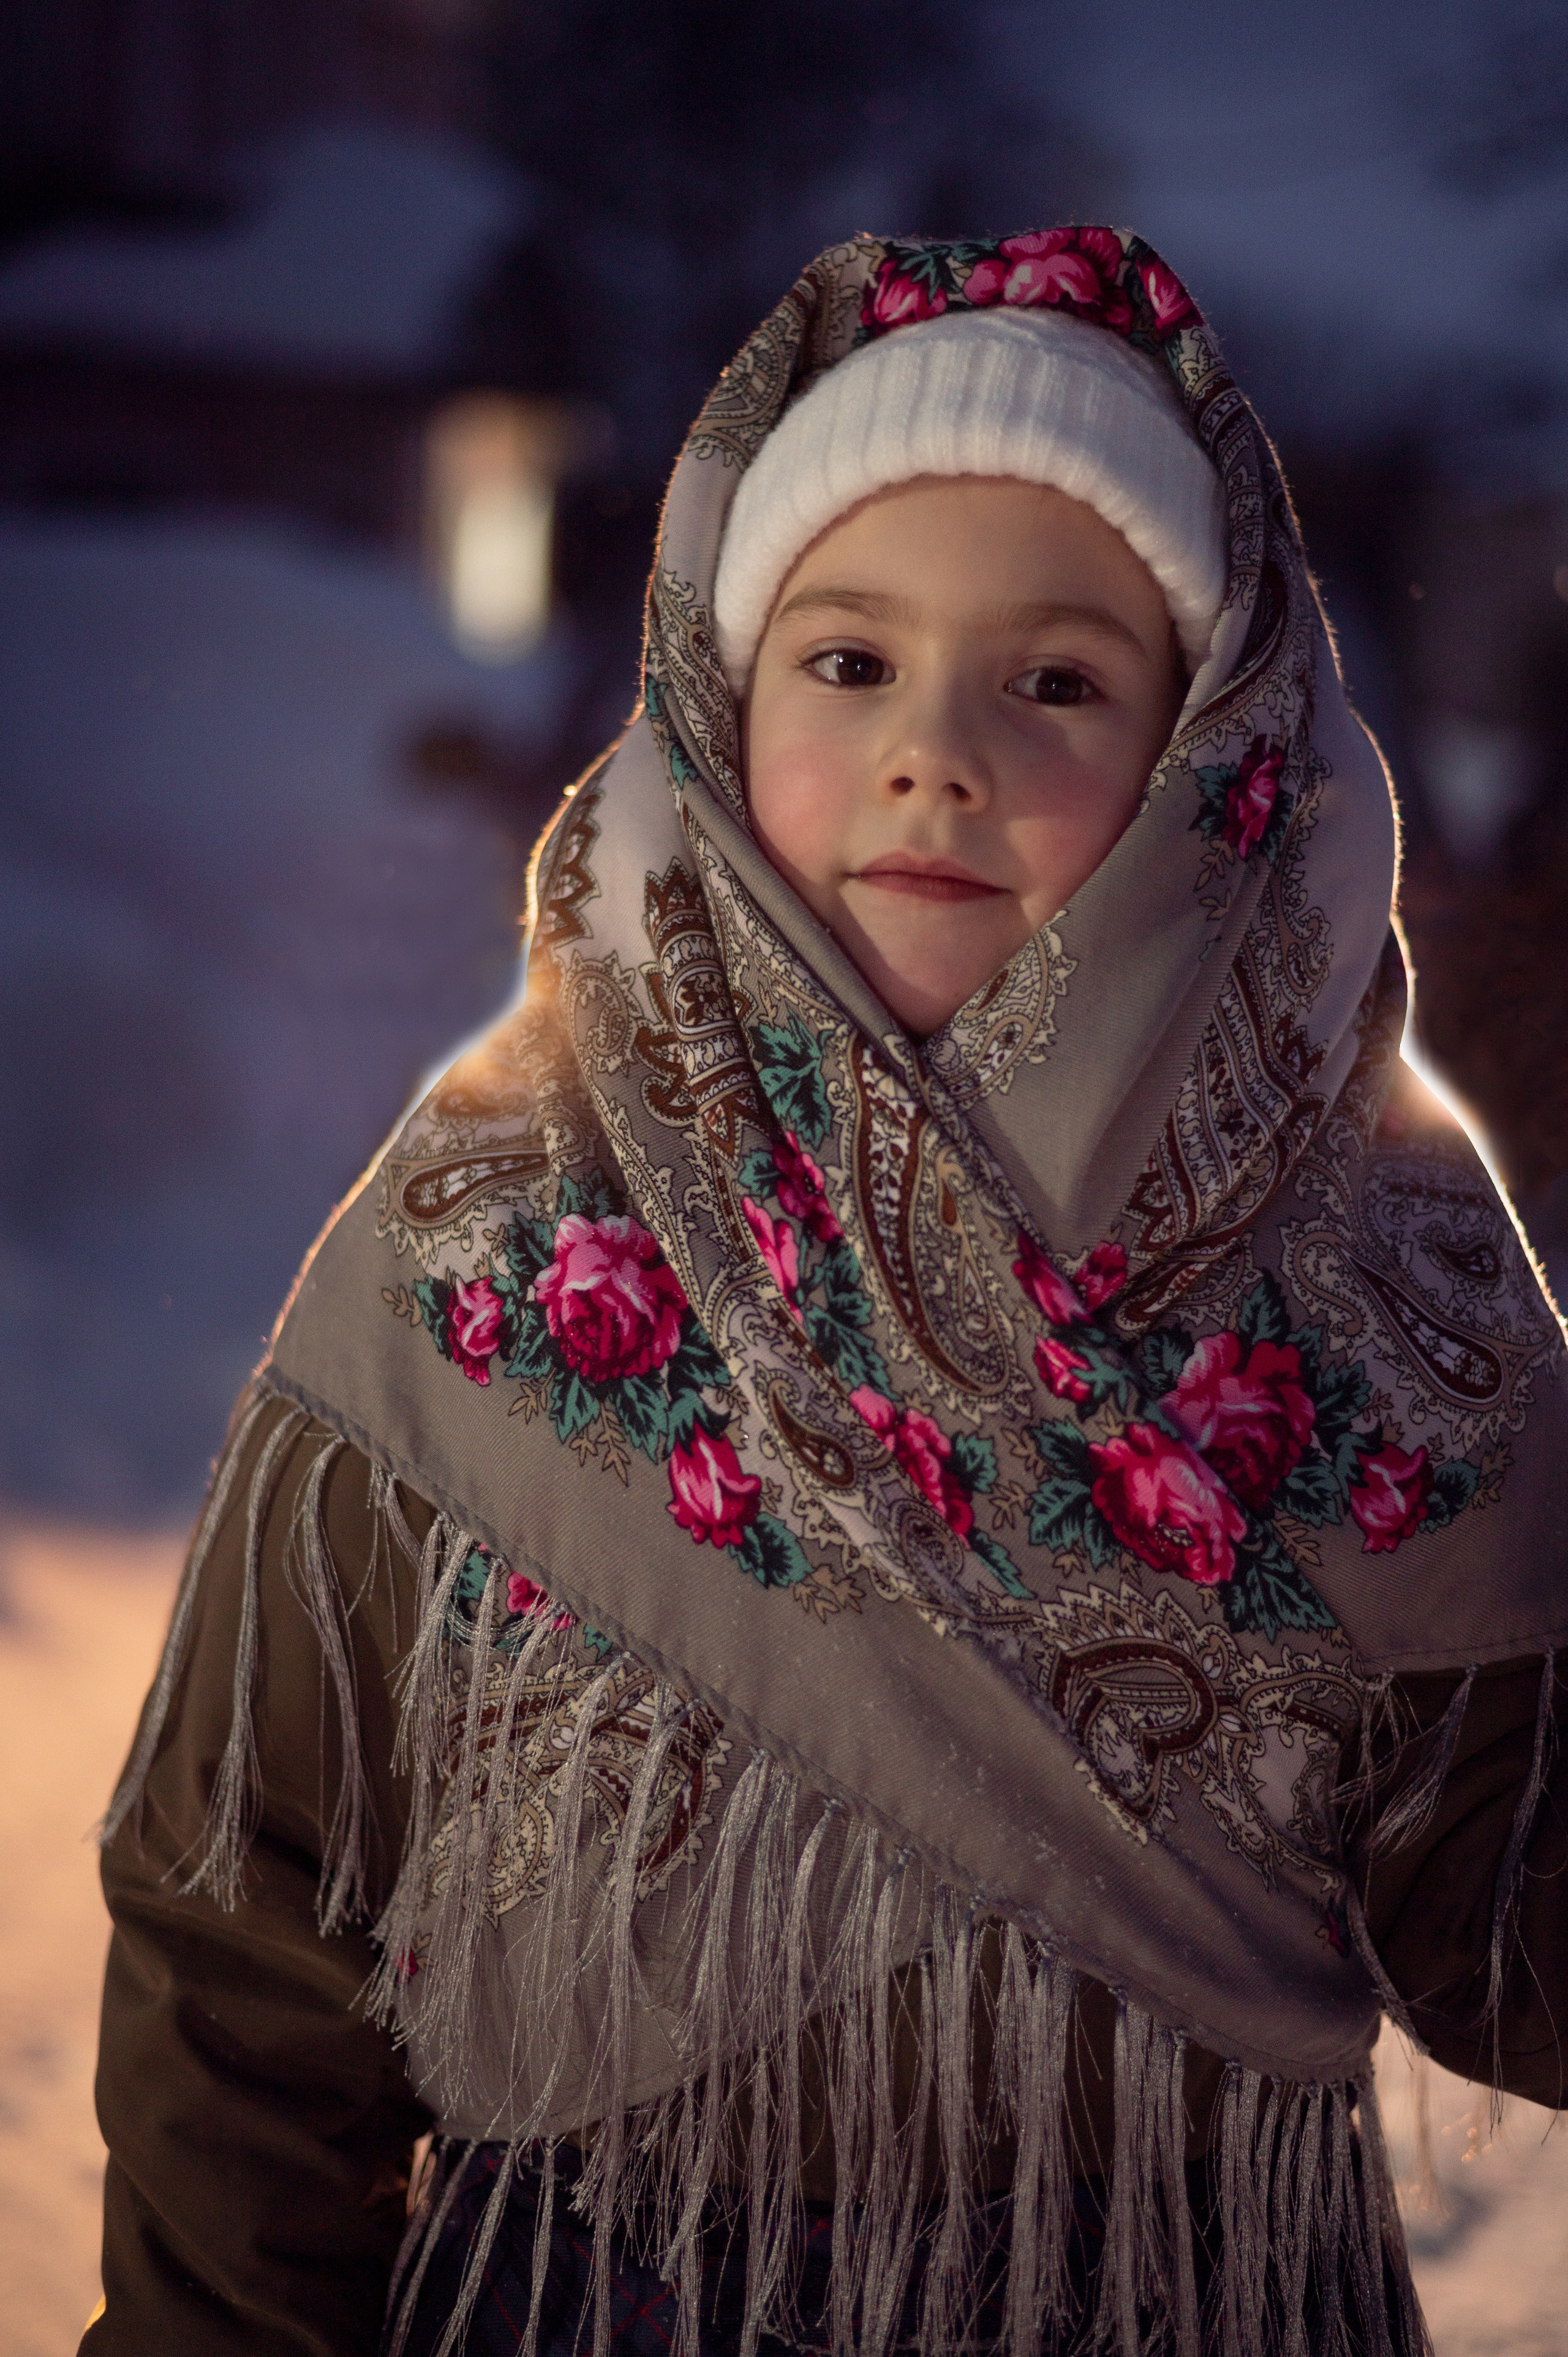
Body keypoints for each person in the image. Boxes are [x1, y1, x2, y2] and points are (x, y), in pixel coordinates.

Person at [84, 228, 1568, 2357]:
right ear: (716, 691)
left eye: (1052, 680)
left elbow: (1513, 1914)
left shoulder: (1379, 1257)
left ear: (1209, 746)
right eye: (849, 661)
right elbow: (250, 1935)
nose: (933, 755)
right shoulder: (505, 1217)